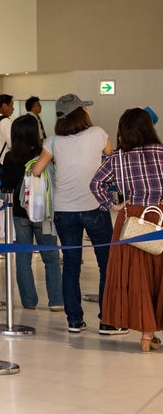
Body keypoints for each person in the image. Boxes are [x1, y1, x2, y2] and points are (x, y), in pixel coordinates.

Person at [31, 93, 125, 335]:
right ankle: (108, 320)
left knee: (71, 266)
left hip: (64, 210)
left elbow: (37, 170)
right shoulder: (97, 134)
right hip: (94, 206)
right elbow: (113, 161)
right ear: (80, 113)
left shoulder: (53, 141)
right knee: (107, 263)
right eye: (85, 108)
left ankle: (74, 320)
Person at [91, 108, 163, 352]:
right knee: (159, 276)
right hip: (161, 216)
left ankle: (146, 334)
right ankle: (150, 334)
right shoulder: (162, 153)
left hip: (132, 218)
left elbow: (96, 183)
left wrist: (114, 204)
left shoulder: (118, 158)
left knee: (138, 276)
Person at [0, 114, 63, 311]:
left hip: (20, 213)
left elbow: (6, 187)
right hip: (43, 211)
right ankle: (56, 301)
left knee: (23, 257)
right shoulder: (44, 154)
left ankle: (29, 301)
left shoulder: (10, 158)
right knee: (51, 256)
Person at [0, 94, 14, 169]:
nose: (13, 109)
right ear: (4, 106)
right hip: (4, 162)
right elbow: (11, 144)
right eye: (11, 106)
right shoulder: (6, 122)